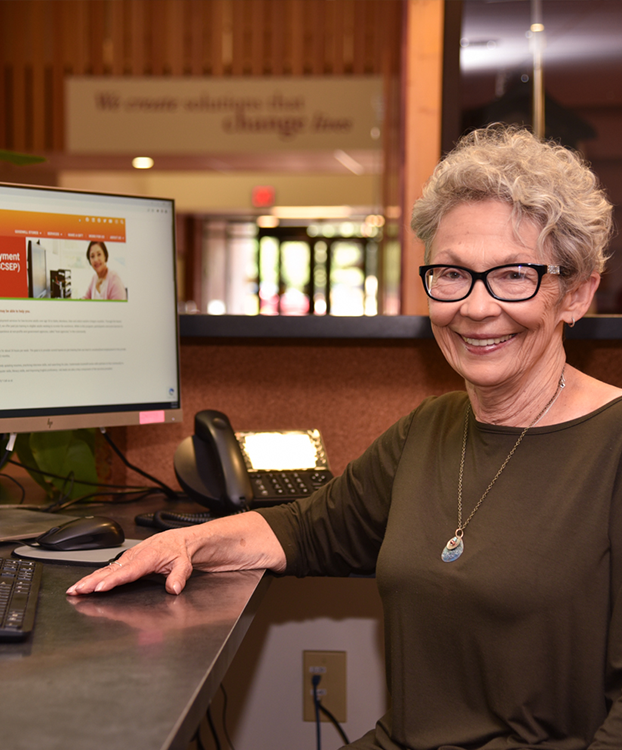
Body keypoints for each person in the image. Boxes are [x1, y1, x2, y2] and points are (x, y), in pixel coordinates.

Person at [67, 125, 622, 750]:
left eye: (514, 275)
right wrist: (186, 542)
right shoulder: (429, 428)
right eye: (452, 274)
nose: (475, 305)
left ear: (576, 293)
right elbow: (305, 528)